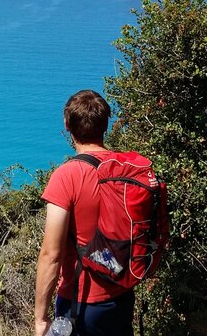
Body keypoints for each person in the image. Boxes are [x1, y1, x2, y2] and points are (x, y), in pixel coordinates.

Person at [34, 90, 135, 336]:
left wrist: (40, 319)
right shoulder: (126, 170)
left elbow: (51, 255)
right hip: (122, 296)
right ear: (105, 125)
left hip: (80, 302)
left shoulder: (66, 176)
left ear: (67, 126)